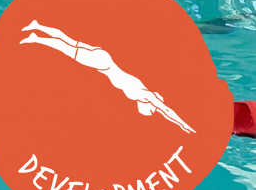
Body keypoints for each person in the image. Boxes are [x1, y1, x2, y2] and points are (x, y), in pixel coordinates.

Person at [19, 20, 195, 133]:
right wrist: (183, 125)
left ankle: (37, 28)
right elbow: (166, 111)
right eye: (148, 111)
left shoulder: (141, 92)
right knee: (66, 48)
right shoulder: (144, 95)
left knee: (69, 41)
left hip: (104, 60)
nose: (145, 111)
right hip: (102, 63)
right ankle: (37, 37)